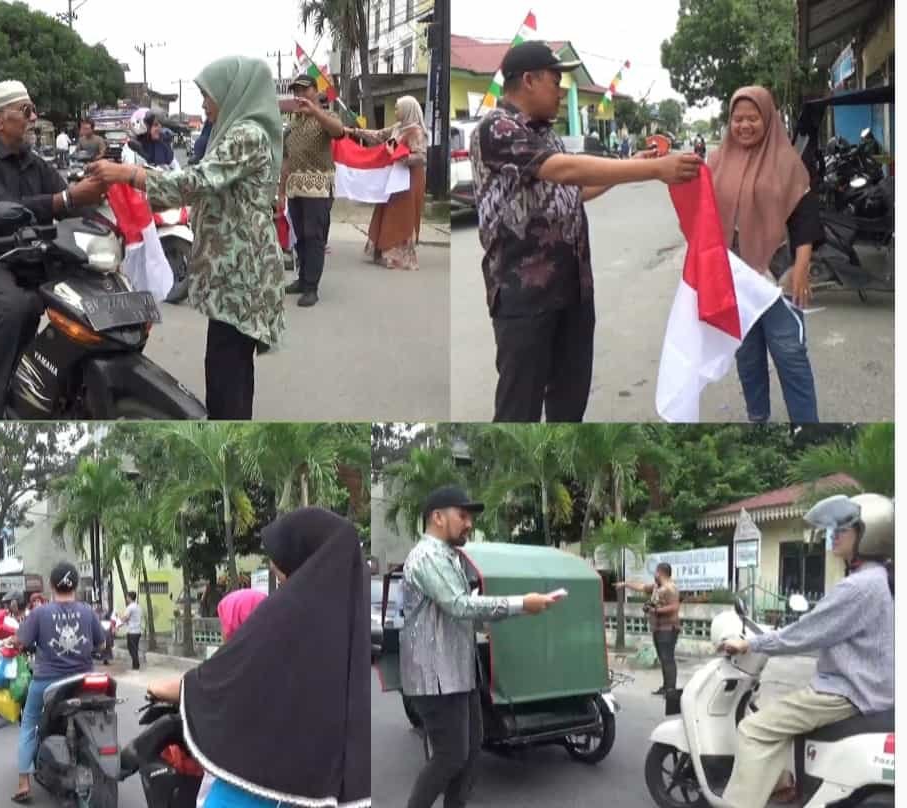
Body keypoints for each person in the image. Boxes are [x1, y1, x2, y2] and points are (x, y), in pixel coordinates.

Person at [469, 41, 701, 423]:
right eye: (555, 80)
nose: (561, 90)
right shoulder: (497, 127)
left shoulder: (548, 134)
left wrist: (631, 166)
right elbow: (564, 170)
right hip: (524, 300)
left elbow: (573, 190)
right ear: (528, 80)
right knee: (518, 413)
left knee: (569, 408)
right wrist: (655, 170)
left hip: (573, 293)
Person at [86, 56, 286, 420]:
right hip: (233, 269)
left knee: (228, 372)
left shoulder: (246, 135)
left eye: (207, 95)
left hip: (241, 272)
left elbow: (195, 182)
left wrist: (127, 173)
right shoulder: (236, 131)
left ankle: (229, 446)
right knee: (229, 368)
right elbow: (198, 178)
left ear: (230, 92)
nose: (204, 104)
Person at [145, 508, 368, 807]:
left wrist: (174, 689)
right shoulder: (349, 613)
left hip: (271, 780)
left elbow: (231, 676)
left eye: (277, 558)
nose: (273, 565)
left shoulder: (292, 611)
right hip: (335, 780)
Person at [719, 494, 893, 808]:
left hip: (846, 691)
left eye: (845, 527)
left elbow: (806, 632)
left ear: (869, 534)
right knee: (776, 716)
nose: (834, 533)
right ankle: (784, 786)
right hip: (866, 687)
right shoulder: (879, 580)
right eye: (835, 527)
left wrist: (751, 643)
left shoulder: (859, 586)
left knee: (753, 729)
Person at [402, 485, 566, 808]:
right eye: (462, 515)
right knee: (450, 756)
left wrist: (483, 624)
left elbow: (455, 612)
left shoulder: (449, 557)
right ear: (437, 517)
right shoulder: (427, 555)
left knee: (472, 750)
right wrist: (522, 603)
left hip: (458, 672)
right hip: (434, 679)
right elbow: (459, 605)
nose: (469, 524)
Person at [0, 80, 107, 420]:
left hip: (32, 256)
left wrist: (105, 215)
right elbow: (1, 206)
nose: (34, 117)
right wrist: (64, 199)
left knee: (90, 295)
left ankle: (54, 383)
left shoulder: (35, 164)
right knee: (17, 306)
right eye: (26, 111)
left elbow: (70, 203)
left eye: (32, 109)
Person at [709, 86, 821, 424]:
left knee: (790, 353)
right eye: (737, 119)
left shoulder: (787, 163)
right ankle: (758, 419)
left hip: (778, 274)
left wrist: (801, 268)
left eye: (752, 118)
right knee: (748, 356)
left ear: (767, 118)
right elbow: (703, 213)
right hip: (735, 277)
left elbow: (804, 220)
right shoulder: (716, 161)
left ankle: (807, 425)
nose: (744, 125)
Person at [9, 562, 104, 804]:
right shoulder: (87, 611)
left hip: (48, 682)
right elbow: (101, 645)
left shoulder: (40, 614)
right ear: (76, 584)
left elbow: (20, 642)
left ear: (51, 585)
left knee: (29, 722)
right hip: (83, 681)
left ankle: (23, 783)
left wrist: (13, 642)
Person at [195, 588, 269, 807]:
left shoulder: (234, 664)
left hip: (239, 781)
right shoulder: (284, 654)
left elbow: (194, 686)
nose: (223, 630)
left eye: (224, 622)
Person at [280, 73, 345, 307]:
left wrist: (315, 110)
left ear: (316, 91)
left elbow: (339, 131)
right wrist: (280, 191)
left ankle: (311, 287)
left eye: (304, 90)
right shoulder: (293, 123)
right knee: (299, 237)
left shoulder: (326, 115)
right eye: (296, 91)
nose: (299, 95)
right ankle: (302, 278)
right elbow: (287, 159)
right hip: (295, 188)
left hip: (318, 188)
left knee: (314, 237)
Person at [344, 96, 429, 271]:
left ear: (407, 110)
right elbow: (378, 136)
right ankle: (384, 251)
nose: (396, 111)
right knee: (386, 211)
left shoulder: (415, 131)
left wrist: (401, 156)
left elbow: (421, 157)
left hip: (410, 180)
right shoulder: (398, 128)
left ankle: (398, 256)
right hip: (395, 177)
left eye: (398, 108)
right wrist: (353, 132)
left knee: (401, 215)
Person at [616, 563, 681, 695]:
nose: (654, 575)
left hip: (668, 628)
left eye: (656, 572)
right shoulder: (657, 587)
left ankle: (671, 689)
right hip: (658, 628)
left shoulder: (670, 588)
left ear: (660, 573)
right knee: (663, 658)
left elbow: (674, 607)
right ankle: (666, 686)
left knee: (667, 658)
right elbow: (641, 587)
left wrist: (656, 610)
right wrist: (625, 584)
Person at [121, 591, 143, 670]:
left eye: (127, 597)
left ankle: (136, 665)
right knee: (134, 648)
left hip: (132, 631)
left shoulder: (130, 607)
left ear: (130, 597)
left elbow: (125, 618)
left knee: (131, 648)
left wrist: (120, 618)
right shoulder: (138, 607)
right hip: (138, 631)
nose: (126, 599)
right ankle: (135, 664)